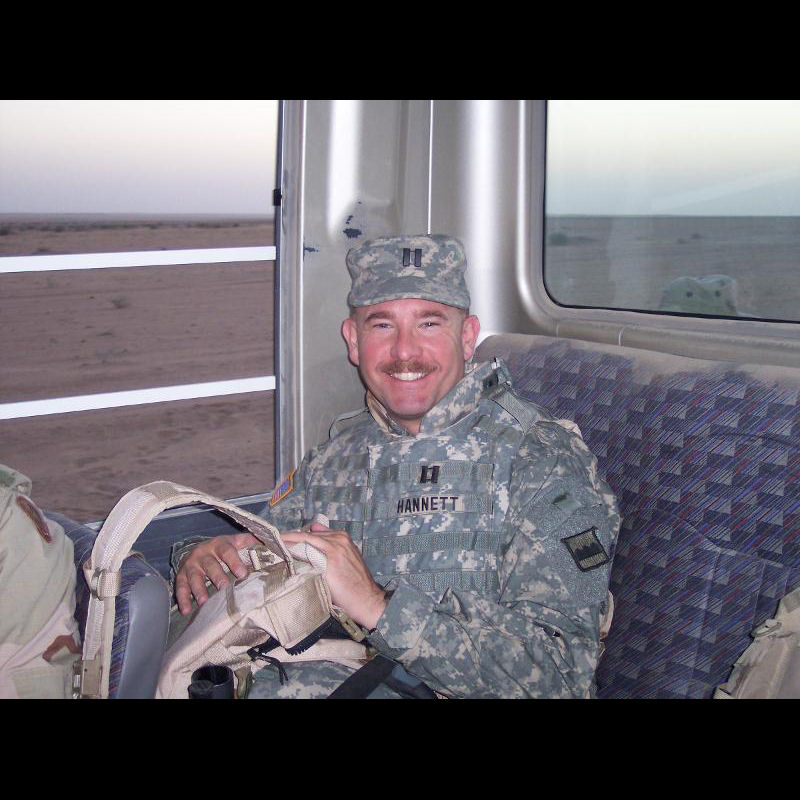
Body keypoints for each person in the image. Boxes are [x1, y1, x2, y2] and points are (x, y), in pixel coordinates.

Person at [174, 234, 620, 698]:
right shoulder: (332, 459)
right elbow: (257, 550)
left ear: (467, 337)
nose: (405, 351)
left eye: (429, 323)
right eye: (382, 325)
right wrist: (202, 558)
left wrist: (377, 607)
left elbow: (560, 674)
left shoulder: (538, 459)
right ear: (354, 341)